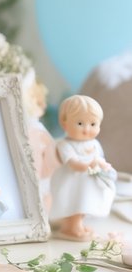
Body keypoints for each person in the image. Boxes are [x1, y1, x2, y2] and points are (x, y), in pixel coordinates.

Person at [49, 94, 116, 240]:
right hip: (73, 182)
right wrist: (89, 164)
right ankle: (72, 227)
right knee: (76, 203)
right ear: (64, 123)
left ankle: (75, 225)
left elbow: (99, 158)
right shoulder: (64, 144)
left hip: (90, 181)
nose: (87, 129)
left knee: (87, 203)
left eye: (93, 124)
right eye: (80, 123)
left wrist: (104, 166)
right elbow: (73, 164)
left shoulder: (94, 143)